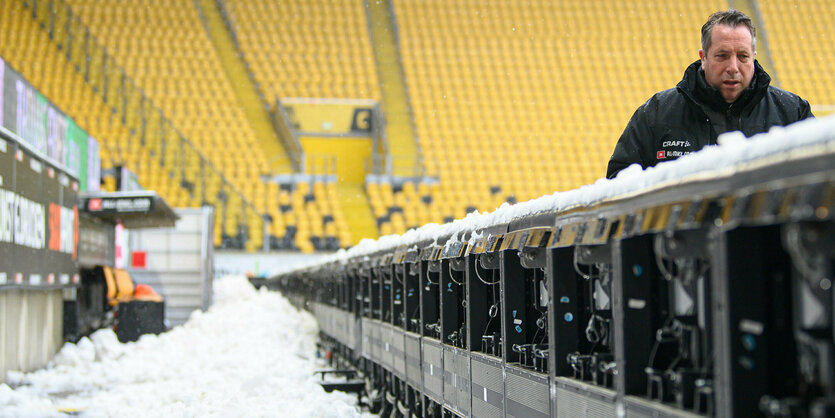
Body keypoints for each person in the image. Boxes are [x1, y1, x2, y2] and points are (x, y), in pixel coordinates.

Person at [606, 9, 813, 179]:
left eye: (742, 56)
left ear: (754, 57)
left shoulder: (793, 113)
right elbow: (619, 187)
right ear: (703, 57)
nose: (733, 67)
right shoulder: (656, 114)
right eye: (722, 56)